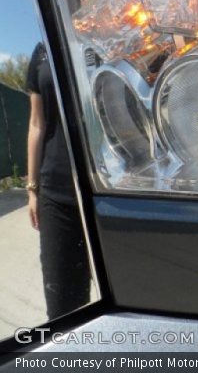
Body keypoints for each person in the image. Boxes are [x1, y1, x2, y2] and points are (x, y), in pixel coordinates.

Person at [26, 42, 91, 319]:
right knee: (63, 306)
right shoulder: (42, 50)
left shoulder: (116, 30)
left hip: (112, 193)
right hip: (57, 194)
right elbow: (37, 124)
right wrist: (33, 189)